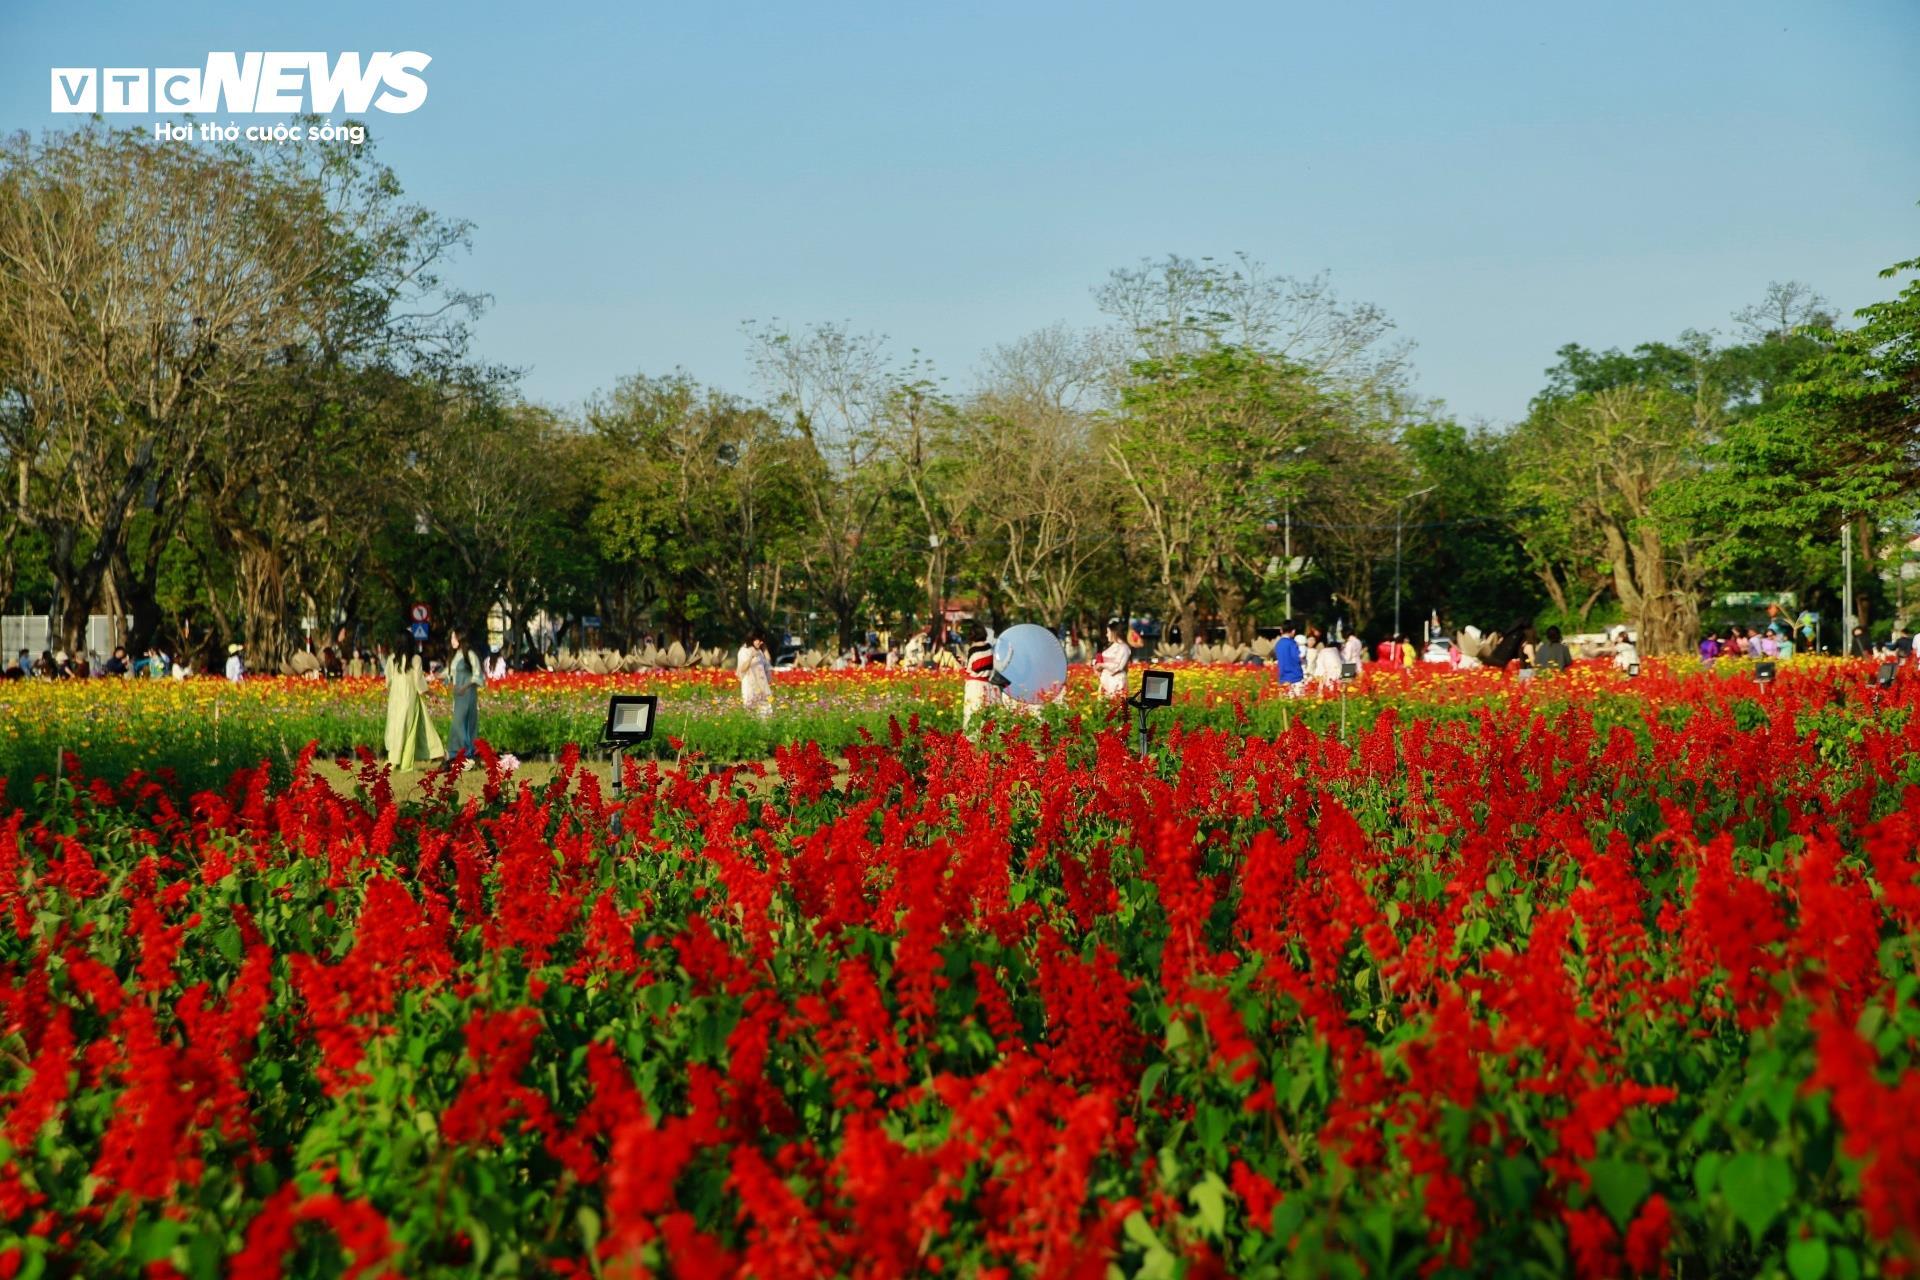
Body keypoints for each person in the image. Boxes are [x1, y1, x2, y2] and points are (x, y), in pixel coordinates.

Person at [384, 632, 444, 770]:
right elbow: (419, 682)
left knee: (396, 728)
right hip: (409, 698)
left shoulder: (392, 658)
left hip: (395, 698)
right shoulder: (415, 658)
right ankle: (404, 763)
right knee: (409, 730)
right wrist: (430, 694)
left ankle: (393, 760)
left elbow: (388, 681)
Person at [445, 624, 485, 761]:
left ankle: (464, 752)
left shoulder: (470, 655)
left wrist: (465, 687)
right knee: (460, 723)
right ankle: (462, 753)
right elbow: (449, 672)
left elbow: (477, 675)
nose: (452, 641)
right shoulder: (455, 656)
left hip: (467, 694)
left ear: (460, 638)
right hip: (458, 695)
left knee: (460, 723)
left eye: (454, 638)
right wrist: (434, 677)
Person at [962, 623, 998, 729]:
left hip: (974, 686)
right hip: (987, 684)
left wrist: (963, 663)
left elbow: (970, 670)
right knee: (986, 714)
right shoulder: (989, 648)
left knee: (972, 713)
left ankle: (972, 741)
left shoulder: (973, 650)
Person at [737, 631, 774, 718]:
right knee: (752, 713)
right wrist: (751, 657)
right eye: (759, 640)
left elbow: (767, 664)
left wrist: (765, 650)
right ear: (752, 639)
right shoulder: (744, 651)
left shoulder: (759, 652)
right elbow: (742, 669)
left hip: (761, 686)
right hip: (750, 685)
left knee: (766, 715)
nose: (761, 642)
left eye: (762, 641)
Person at [1095, 619, 1132, 699]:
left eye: (1108, 632)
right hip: (1107, 681)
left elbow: (1118, 667)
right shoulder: (1113, 646)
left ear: (1114, 632)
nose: (1106, 634)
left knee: (1116, 705)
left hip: (1116, 682)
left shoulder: (1123, 648)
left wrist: (1102, 665)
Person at [1273, 620, 1305, 695]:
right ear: (1293, 631)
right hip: (1295, 678)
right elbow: (1298, 658)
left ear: (1281, 630)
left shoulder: (1278, 644)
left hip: (1283, 678)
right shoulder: (1292, 643)